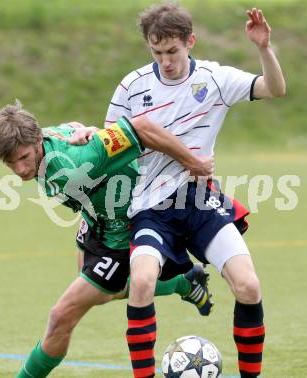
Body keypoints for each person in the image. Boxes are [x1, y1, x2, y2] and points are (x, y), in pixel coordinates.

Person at [105, 4, 286, 378]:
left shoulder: (214, 79)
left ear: (190, 41)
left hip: (201, 201)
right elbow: (111, 144)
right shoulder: (132, 86)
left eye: (173, 51)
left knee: (249, 286)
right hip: (151, 208)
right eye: (157, 53)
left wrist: (264, 48)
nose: (166, 61)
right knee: (141, 283)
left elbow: (274, 89)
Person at [0, 101, 216, 378]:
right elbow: (69, 128)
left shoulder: (82, 160)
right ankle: (183, 281)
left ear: (36, 141)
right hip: (95, 221)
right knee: (102, 292)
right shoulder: (41, 136)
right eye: (11, 163)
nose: (20, 170)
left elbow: (139, 129)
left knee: (62, 315)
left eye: (24, 158)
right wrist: (82, 128)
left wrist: (193, 163)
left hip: (124, 229)